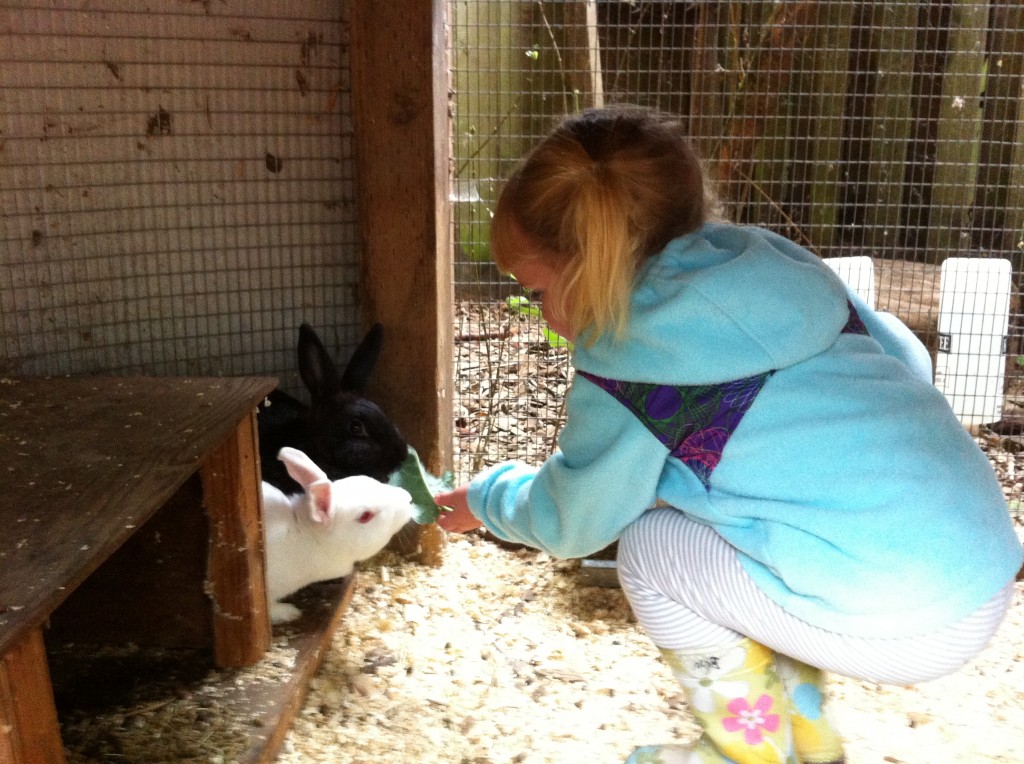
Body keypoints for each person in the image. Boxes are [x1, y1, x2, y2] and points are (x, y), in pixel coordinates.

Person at [435, 105, 1023, 764]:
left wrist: (485, 501)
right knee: (725, 527)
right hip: (987, 565)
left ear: (589, 267)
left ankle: (750, 751)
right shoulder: (776, 261)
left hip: (910, 619)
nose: (541, 313)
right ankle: (802, 735)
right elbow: (908, 363)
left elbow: (574, 522)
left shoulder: (628, 360)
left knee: (654, 550)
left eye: (536, 290)